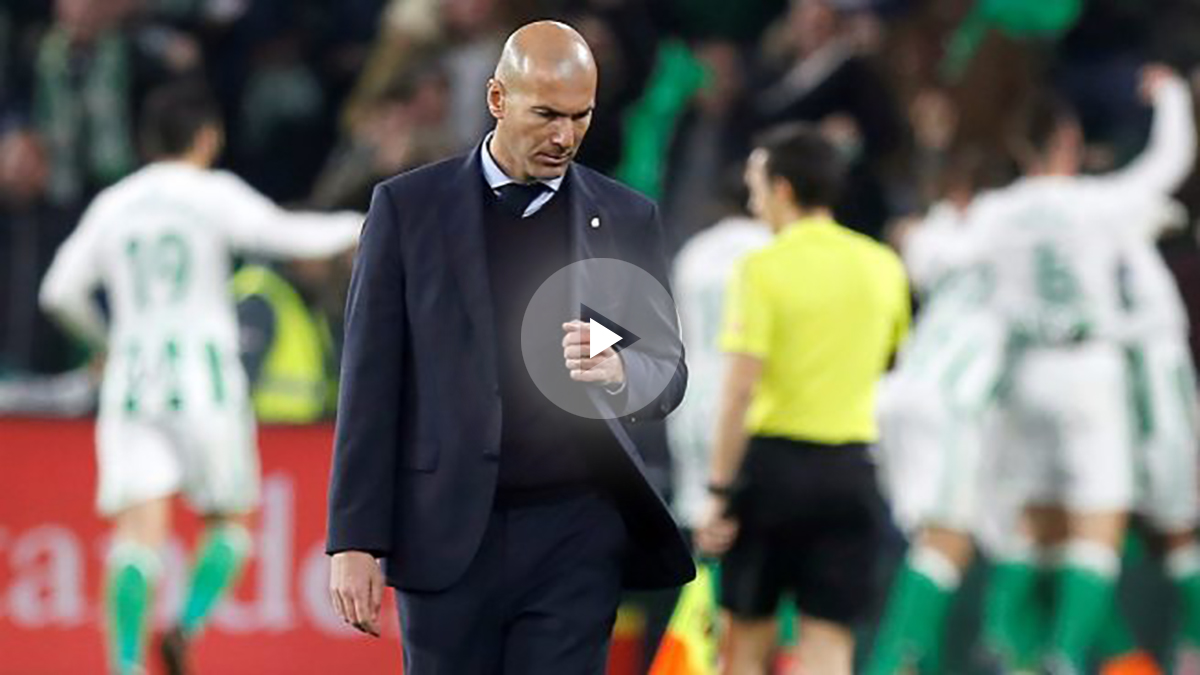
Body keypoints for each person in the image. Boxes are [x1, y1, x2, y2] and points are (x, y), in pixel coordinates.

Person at [325, 20, 693, 675]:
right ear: (498, 99)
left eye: (580, 117)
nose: (564, 136)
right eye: (546, 113)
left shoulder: (626, 217)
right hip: (446, 531)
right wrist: (354, 538)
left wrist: (618, 370)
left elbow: (665, 371)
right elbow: (370, 381)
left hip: (576, 533)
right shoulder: (408, 209)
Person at [38, 81, 362, 675]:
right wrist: (363, 224)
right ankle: (186, 625)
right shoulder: (211, 194)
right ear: (208, 137)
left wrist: (106, 342)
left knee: (138, 534)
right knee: (231, 524)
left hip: (134, 378)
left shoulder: (115, 202)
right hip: (204, 376)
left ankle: (127, 665)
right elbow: (286, 235)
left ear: (144, 140)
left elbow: (59, 292)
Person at [696, 123, 911, 675]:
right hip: (850, 470)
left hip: (773, 472)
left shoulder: (760, 268)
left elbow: (739, 389)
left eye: (757, 187)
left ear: (784, 189)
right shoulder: (883, 265)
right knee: (829, 647)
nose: (754, 201)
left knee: (744, 643)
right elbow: (889, 358)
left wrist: (719, 491)